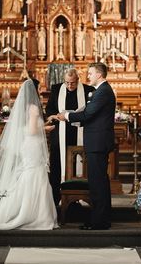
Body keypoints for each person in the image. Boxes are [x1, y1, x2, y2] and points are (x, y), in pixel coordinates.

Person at [0, 79, 58, 230]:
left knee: (29, 173)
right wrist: (46, 129)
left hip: (27, 144)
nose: (41, 90)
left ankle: (24, 209)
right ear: (34, 90)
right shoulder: (34, 107)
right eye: (39, 88)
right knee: (36, 174)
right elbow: (32, 130)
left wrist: (42, 125)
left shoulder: (23, 107)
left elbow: (27, 127)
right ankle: (36, 214)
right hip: (33, 144)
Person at [56, 62, 116, 230]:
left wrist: (67, 116)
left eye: (90, 73)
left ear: (99, 74)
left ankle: (99, 222)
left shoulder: (103, 92)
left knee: (98, 184)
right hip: (97, 142)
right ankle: (101, 219)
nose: (88, 76)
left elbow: (88, 114)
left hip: (98, 143)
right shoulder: (101, 91)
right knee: (99, 183)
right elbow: (90, 116)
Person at [45, 68, 94, 206]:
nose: (69, 86)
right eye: (67, 83)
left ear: (78, 80)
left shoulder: (87, 90)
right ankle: (56, 198)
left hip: (79, 133)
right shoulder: (56, 89)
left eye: (72, 83)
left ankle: (75, 198)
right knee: (57, 166)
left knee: (77, 164)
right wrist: (53, 116)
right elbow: (49, 109)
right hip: (59, 134)